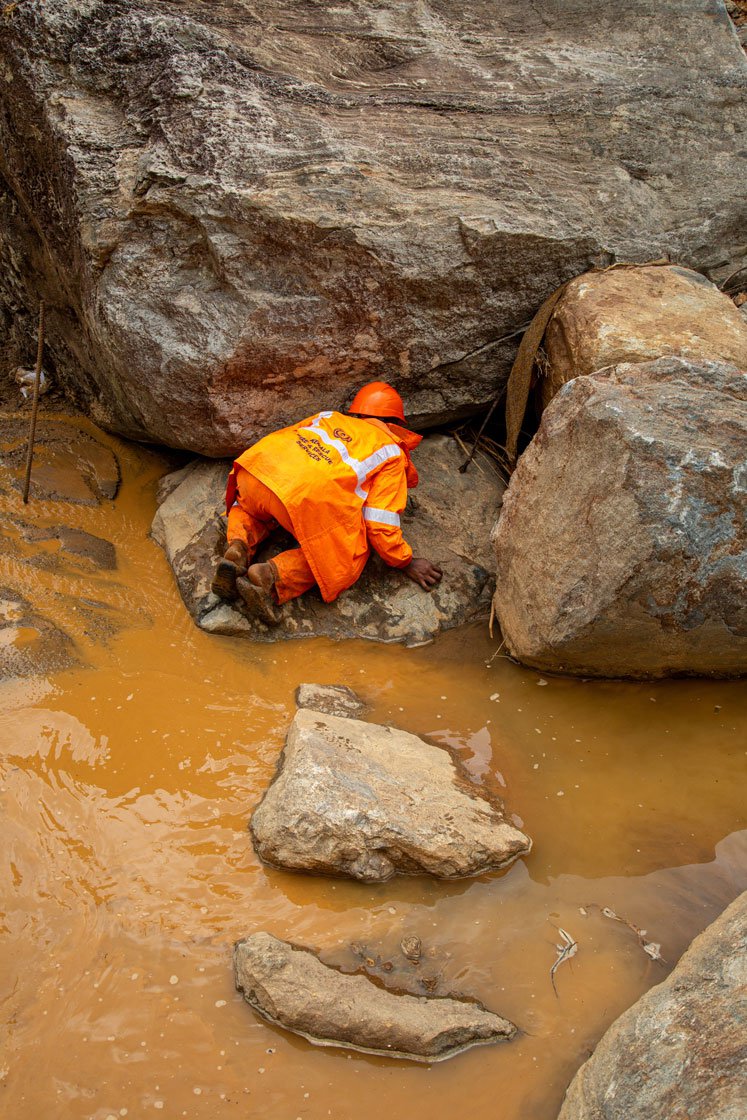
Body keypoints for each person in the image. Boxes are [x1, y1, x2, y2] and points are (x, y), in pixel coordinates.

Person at [211, 381, 443, 624]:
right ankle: (270, 575)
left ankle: (237, 546)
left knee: (248, 506)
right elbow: (378, 522)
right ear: (395, 425)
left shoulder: (328, 417)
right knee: (347, 556)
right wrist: (405, 561)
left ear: (358, 412)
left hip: (256, 472)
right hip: (300, 500)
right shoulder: (392, 453)